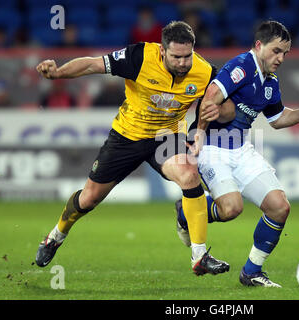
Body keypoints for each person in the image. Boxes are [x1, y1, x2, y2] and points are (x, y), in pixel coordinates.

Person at [34, 21, 230, 276]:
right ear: (162, 51)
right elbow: (94, 64)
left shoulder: (204, 72)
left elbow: (223, 105)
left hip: (166, 135)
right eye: (176, 57)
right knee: (89, 198)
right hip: (127, 136)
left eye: (187, 56)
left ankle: (199, 256)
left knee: (189, 174)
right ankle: (55, 236)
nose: (183, 63)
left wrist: (211, 118)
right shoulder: (138, 56)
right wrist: (58, 73)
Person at [175, 20, 299, 287]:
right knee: (232, 208)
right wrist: (198, 133)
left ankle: (252, 272)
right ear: (259, 45)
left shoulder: (270, 82)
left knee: (280, 208)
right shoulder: (241, 66)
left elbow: (277, 119)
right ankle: (187, 212)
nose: (280, 58)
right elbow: (210, 95)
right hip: (212, 148)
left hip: (241, 149)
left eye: (285, 53)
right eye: (276, 51)